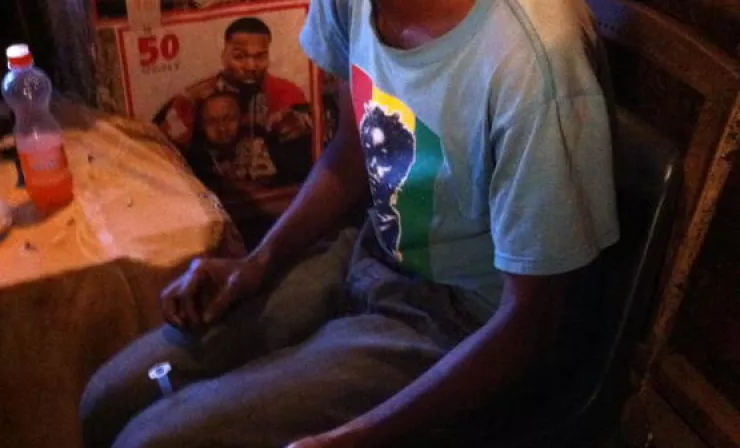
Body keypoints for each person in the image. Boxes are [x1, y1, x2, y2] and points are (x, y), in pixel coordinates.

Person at [80, 0, 619, 447]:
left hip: (462, 322)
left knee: (153, 440)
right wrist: (259, 263)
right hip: (370, 252)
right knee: (109, 398)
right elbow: (356, 144)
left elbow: (532, 324)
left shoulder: (532, 63)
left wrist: (362, 435)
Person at [155, 17, 312, 150]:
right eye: (239, 56)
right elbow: (164, 148)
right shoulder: (196, 97)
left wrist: (300, 124)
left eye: (260, 57)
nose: (251, 66)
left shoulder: (287, 92)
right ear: (224, 56)